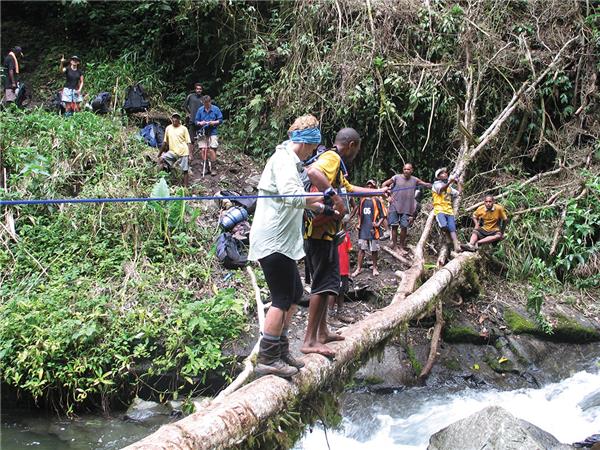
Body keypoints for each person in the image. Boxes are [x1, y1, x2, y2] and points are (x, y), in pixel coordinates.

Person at [249, 114, 336, 378]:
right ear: (306, 143)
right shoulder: (284, 161)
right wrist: (324, 194)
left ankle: (281, 349)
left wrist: (321, 206)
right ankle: (267, 357)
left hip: (283, 242)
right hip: (273, 240)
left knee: (296, 294)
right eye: (313, 147)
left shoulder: (289, 161)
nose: (313, 152)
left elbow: (297, 199)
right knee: (282, 299)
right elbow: (292, 196)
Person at [302, 128, 389, 357]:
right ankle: (309, 340)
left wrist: (378, 191)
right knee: (321, 287)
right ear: (351, 144)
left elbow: (350, 189)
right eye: (357, 147)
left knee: (327, 284)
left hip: (326, 235)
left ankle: (322, 332)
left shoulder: (336, 164)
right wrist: (337, 200)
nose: (357, 152)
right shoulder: (331, 158)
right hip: (319, 236)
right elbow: (313, 173)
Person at [382, 163, 431, 254]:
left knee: (404, 227)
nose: (406, 171)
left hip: (407, 207)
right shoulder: (396, 177)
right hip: (395, 205)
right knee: (394, 226)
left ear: (412, 170)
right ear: (403, 170)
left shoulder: (415, 180)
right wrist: (386, 197)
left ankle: (401, 246)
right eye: (404, 169)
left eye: (408, 169)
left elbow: (426, 184)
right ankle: (395, 246)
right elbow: (384, 184)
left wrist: (435, 184)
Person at [352, 180, 387, 277]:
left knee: (374, 249)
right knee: (361, 249)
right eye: (368, 186)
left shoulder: (377, 200)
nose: (370, 188)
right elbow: (359, 214)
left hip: (373, 229)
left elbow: (383, 214)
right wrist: (359, 224)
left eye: (372, 187)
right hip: (363, 228)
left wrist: (378, 224)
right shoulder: (362, 199)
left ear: (375, 188)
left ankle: (375, 268)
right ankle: (358, 268)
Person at [157, 113, 192, 187]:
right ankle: (160, 181)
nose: (175, 119)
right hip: (172, 151)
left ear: (179, 120)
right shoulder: (168, 128)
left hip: (183, 151)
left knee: (185, 170)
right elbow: (165, 142)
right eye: (174, 118)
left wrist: (190, 155)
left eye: (177, 118)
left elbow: (189, 142)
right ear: (171, 119)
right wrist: (159, 153)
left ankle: (185, 187)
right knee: (161, 160)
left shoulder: (183, 128)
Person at [432, 167, 462, 253]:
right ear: (438, 177)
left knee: (452, 228)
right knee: (444, 226)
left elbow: (458, 193)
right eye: (442, 173)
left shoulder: (449, 188)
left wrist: (458, 182)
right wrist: (450, 181)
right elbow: (442, 189)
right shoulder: (436, 185)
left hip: (449, 210)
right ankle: (449, 238)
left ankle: (456, 245)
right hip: (439, 210)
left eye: (445, 173)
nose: (445, 174)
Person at [328, 224, 354, 325]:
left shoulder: (346, 235)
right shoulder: (331, 235)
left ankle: (340, 312)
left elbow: (348, 251)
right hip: (335, 268)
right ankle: (330, 315)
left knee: (342, 291)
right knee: (333, 291)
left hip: (344, 269)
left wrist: (348, 270)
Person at [194, 95, 223, 175]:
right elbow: (196, 121)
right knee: (203, 150)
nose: (206, 105)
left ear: (210, 102)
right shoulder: (200, 110)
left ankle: (213, 168)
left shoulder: (215, 109)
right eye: (204, 103)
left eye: (207, 103)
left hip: (212, 131)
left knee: (212, 149)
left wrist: (213, 122)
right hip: (202, 131)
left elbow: (220, 120)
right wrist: (200, 123)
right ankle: (206, 167)